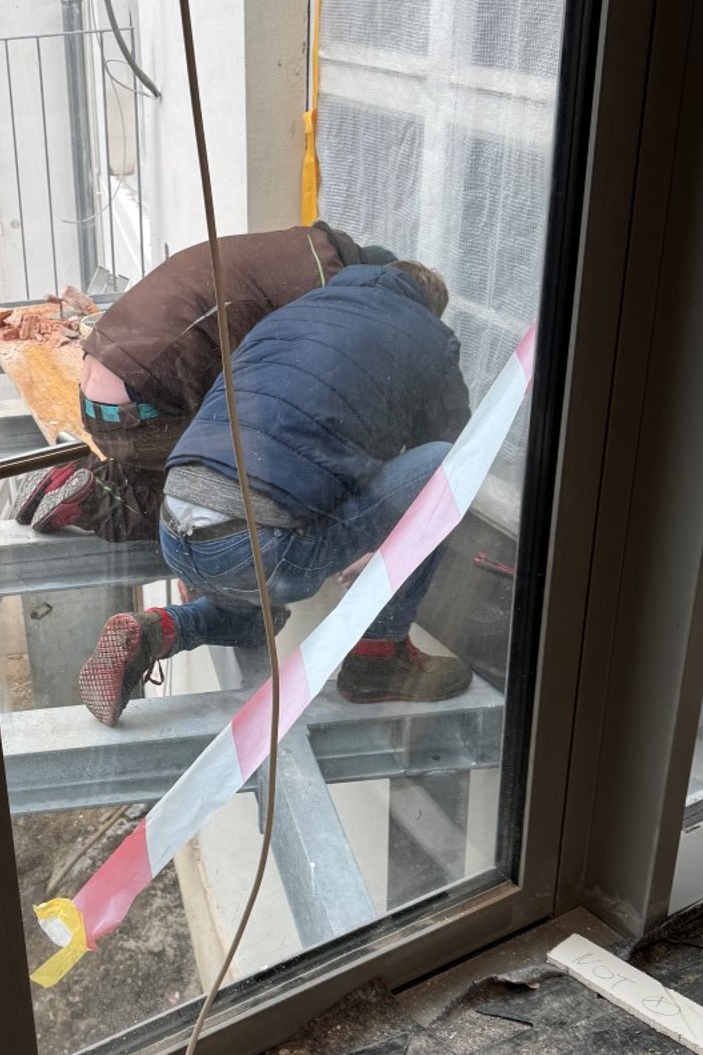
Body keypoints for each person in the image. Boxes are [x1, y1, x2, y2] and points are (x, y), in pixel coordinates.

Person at [76, 258, 474, 725]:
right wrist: (401, 540)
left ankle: (159, 630)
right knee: (450, 465)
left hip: (177, 530)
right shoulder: (428, 337)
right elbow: (457, 447)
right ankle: (378, 655)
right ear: (430, 308)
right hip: (257, 548)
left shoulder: (295, 312)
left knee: (260, 618)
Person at [15, 222, 389, 540]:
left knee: (159, 463)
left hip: (106, 386)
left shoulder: (297, 250)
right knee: (208, 507)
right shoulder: (327, 293)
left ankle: (71, 478)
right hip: (139, 405)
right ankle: (98, 499)